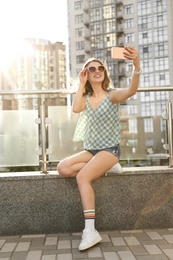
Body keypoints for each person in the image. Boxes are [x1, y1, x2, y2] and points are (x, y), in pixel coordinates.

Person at [57, 46, 141, 251]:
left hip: (109, 150)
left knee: (82, 177)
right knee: (63, 168)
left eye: (100, 68)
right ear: (86, 73)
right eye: (91, 68)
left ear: (104, 73)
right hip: (92, 150)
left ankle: (91, 231)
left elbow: (131, 90)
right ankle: (103, 168)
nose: (96, 70)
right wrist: (81, 83)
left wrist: (136, 65)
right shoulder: (85, 99)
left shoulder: (112, 95)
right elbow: (76, 109)